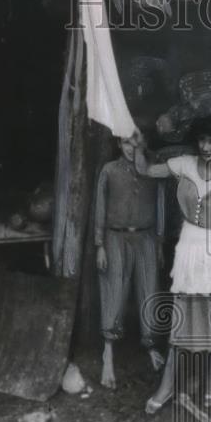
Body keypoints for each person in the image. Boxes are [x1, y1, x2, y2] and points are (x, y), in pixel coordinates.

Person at [132, 111, 211, 413]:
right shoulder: (184, 164)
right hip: (187, 249)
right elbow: (145, 170)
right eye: (202, 139)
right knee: (179, 324)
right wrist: (138, 147)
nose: (206, 147)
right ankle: (167, 386)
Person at [93, 136, 165, 389]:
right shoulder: (109, 171)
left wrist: (158, 242)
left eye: (136, 144)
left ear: (143, 145)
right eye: (126, 143)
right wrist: (99, 244)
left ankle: (150, 346)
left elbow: (160, 205)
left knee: (149, 291)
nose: (131, 149)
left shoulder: (153, 170)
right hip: (115, 237)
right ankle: (108, 353)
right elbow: (100, 207)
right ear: (118, 145)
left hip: (146, 237)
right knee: (114, 291)